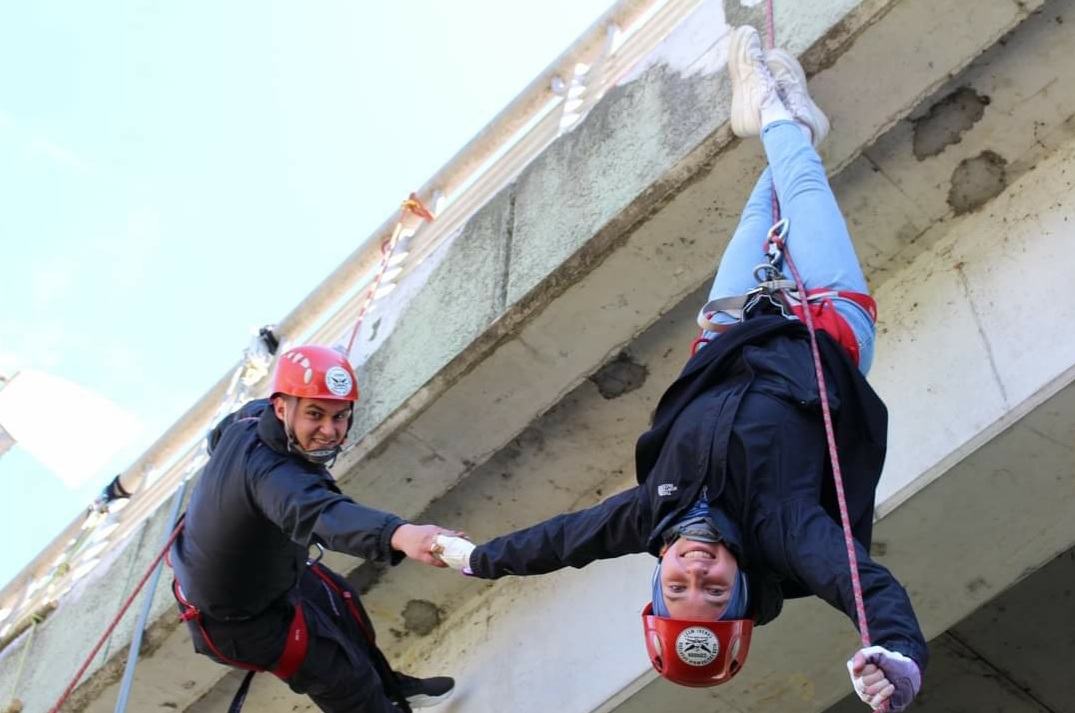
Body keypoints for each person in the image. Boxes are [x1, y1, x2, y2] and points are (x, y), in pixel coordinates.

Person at [431, 25, 926, 712]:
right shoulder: (783, 532)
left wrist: (477, 559)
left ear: (657, 581)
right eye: (714, 588)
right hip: (825, 322)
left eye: (679, 587)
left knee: (763, 207)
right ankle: (776, 114)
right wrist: (899, 659)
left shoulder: (649, 515)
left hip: (729, 328)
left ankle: (789, 125)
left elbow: (561, 541)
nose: (696, 570)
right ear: (742, 587)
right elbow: (864, 586)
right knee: (802, 185)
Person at [170, 344, 458, 712]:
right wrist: (400, 535)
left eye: (340, 416)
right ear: (281, 408)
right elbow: (319, 512)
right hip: (238, 620)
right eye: (315, 414)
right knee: (343, 679)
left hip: (265, 570)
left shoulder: (251, 416)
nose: (329, 431)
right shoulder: (274, 477)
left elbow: (217, 437)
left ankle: (389, 688)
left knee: (342, 603)